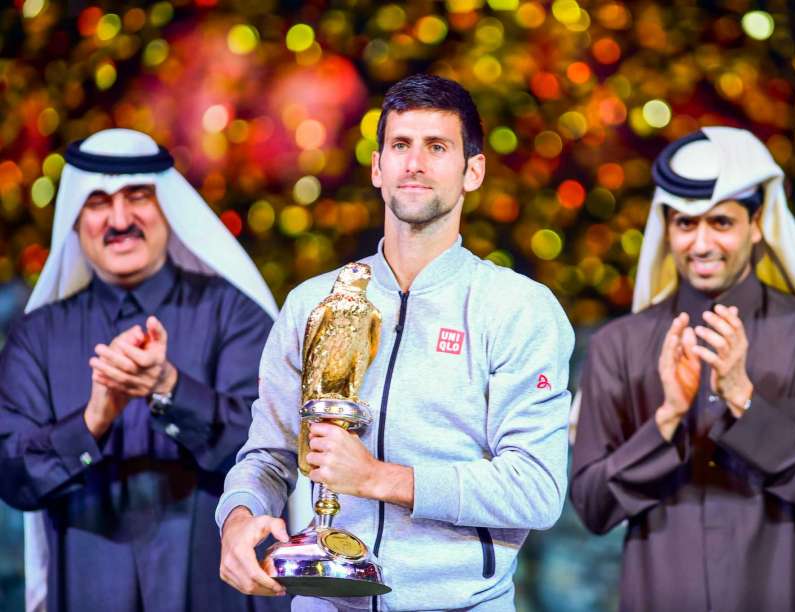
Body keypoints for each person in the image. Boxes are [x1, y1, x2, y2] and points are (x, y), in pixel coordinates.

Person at [216, 73, 575, 611]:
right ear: (377, 167)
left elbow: (536, 488)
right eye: (400, 145)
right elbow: (268, 453)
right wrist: (238, 516)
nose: (415, 162)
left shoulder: (518, 309)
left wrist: (380, 478)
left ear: (472, 171)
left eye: (437, 147)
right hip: (325, 601)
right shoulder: (314, 303)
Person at [569, 127, 795, 611]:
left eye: (721, 223)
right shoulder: (617, 346)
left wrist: (742, 399)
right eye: (686, 224)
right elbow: (594, 508)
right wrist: (666, 418)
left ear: (756, 225)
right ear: (666, 229)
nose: (701, 243)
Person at [0, 128, 289, 612]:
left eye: (137, 197)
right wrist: (92, 421)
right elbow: (11, 474)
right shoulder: (39, 335)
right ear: (74, 217)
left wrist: (170, 389)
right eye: (97, 202)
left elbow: (275, 445)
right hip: (88, 593)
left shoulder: (233, 312)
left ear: (167, 208)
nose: (120, 219)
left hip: (218, 594)